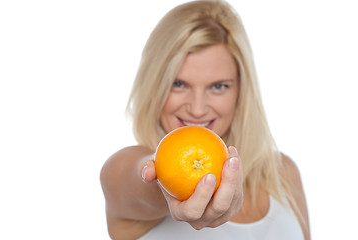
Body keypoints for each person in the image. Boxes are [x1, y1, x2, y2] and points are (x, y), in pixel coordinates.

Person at [100, 0, 310, 239]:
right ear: (153, 86)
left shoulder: (282, 173)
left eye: (218, 86)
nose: (197, 110)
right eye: (178, 84)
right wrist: (167, 182)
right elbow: (144, 182)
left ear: (241, 90)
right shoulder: (122, 170)